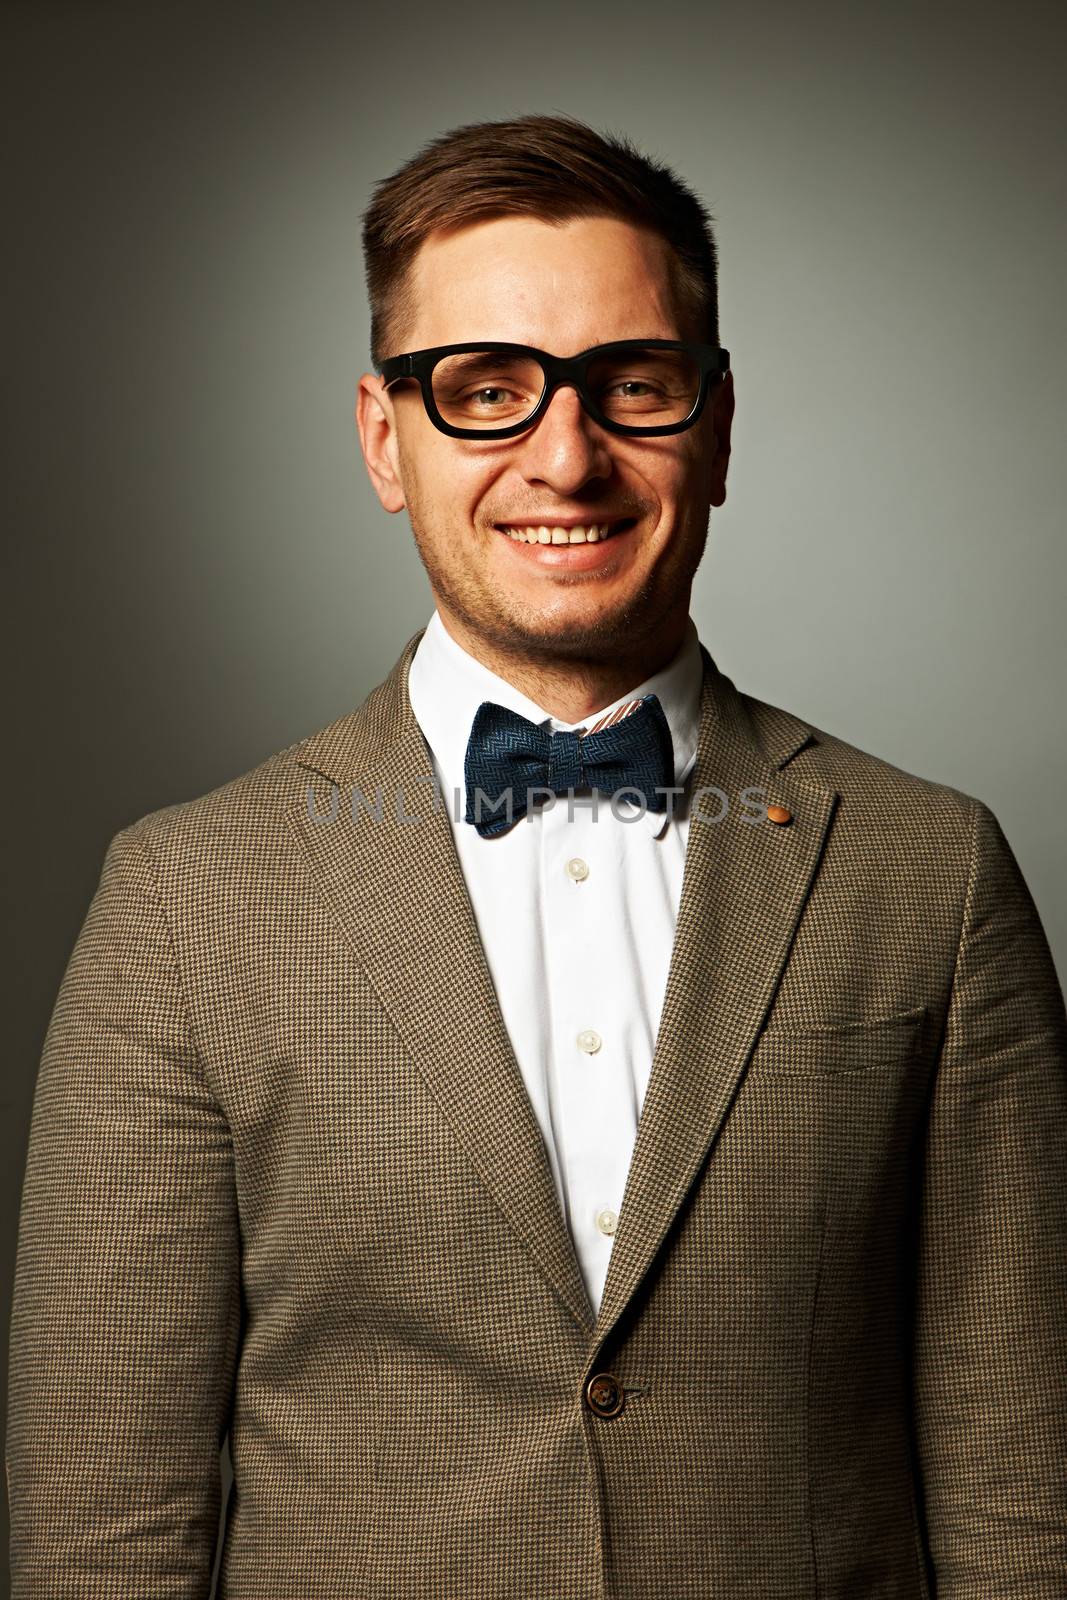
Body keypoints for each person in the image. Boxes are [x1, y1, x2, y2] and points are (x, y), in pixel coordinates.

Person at [7, 112, 1067, 1600]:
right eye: (485, 391)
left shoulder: (931, 875)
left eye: (632, 387)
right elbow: (99, 1533)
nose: (564, 458)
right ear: (387, 438)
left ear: (716, 426)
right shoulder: (186, 899)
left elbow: (1025, 1494)